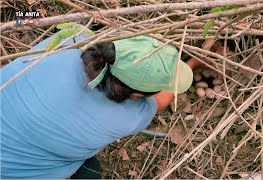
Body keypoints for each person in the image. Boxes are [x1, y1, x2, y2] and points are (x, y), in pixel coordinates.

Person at [0, 24, 210, 178]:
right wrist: (192, 64)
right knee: (91, 173)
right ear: (137, 96)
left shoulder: (74, 37)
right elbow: (161, 101)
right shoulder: (126, 117)